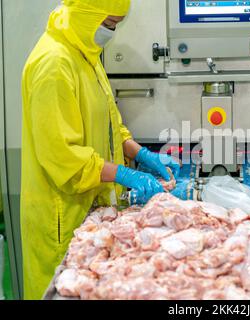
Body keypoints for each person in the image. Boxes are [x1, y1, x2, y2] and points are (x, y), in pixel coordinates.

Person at [20, 0, 179, 299]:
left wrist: (140, 153)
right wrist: (125, 175)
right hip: (63, 217)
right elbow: (63, 157)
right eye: (109, 24)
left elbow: (110, 124)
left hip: (90, 207)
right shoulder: (54, 64)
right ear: (86, 15)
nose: (112, 33)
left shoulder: (85, 54)